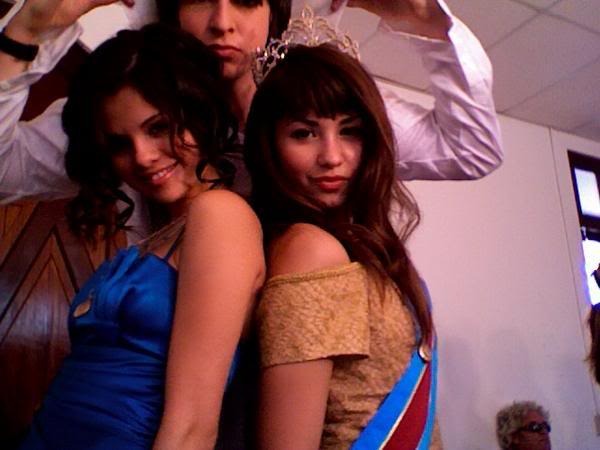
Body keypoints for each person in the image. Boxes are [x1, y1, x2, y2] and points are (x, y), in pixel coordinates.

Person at [0, 0, 502, 237]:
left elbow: (471, 150)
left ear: (274, 10)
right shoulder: (133, 120)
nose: (223, 23)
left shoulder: (320, 110)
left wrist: (421, 19)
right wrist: (28, 29)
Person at [18, 24, 265, 449]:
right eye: (119, 144)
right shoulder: (157, 231)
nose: (143, 157)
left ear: (199, 111)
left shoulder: (220, 214)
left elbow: (192, 426)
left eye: (158, 127)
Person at [244, 18, 440, 447]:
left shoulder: (363, 244)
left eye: (350, 131)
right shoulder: (309, 250)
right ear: (269, 145)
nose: (332, 156)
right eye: (304, 133)